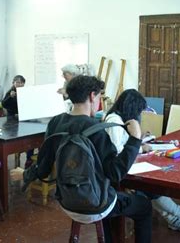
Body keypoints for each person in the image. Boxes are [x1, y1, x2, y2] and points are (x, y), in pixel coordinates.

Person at [39, 75, 151, 242]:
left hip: (66, 201)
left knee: (108, 196)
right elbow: (115, 173)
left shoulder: (55, 123)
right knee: (144, 207)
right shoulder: (96, 129)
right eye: (99, 97)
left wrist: (25, 174)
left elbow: (43, 167)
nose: (99, 101)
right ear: (92, 96)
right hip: (96, 205)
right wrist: (135, 140)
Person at [105, 89, 180, 234]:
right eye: (138, 110)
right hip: (119, 169)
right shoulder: (114, 121)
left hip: (126, 164)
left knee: (149, 189)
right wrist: (140, 147)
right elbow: (119, 150)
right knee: (149, 188)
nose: (139, 115)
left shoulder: (120, 119)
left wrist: (140, 138)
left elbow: (125, 142)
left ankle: (173, 218)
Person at [2, 75, 32, 167]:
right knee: (18, 137)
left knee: (30, 137)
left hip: (24, 119)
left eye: (22, 82)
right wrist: (10, 97)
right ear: (13, 83)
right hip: (12, 120)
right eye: (17, 82)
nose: (20, 84)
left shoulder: (25, 92)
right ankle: (18, 151)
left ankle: (29, 158)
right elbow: (4, 104)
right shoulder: (10, 92)